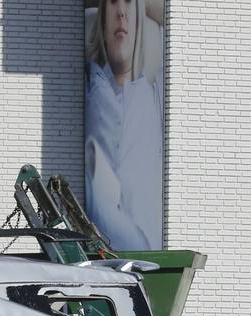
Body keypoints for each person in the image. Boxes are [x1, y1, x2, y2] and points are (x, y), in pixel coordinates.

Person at [84, 0, 164, 250]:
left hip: (147, 254)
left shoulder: (157, 94)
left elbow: (172, 13)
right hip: (100, 256)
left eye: (129, 4)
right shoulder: (86, 88)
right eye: (113, 3)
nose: (121, 12)